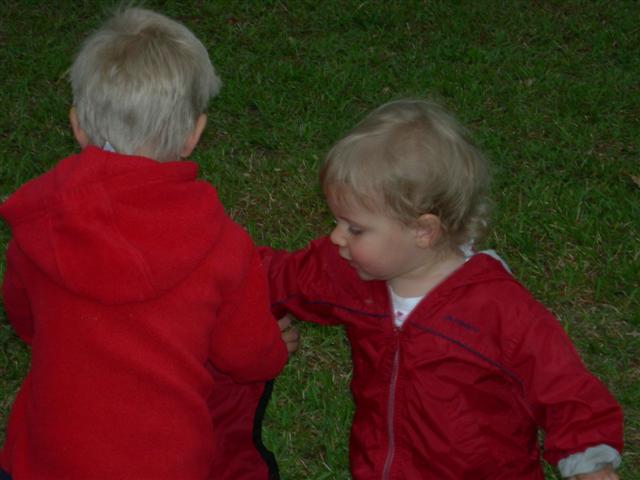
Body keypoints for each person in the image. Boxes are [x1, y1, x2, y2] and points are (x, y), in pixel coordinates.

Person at [0, 8, 294, 480]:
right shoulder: (222, 244)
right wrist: (275, 350)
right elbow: (244, 355)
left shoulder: (40, 224)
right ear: (193, 135)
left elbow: (24, 315)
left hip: (42, 460)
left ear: (76, 124)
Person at [259, 99, 624, 479]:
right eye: (337, 221)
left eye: (355, 228)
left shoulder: (497, 308)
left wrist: (590, 464)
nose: (336, 237)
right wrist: (240, 309)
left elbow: (563, 385)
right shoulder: (349, 273)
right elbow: (274, 277)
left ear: (423, 230)